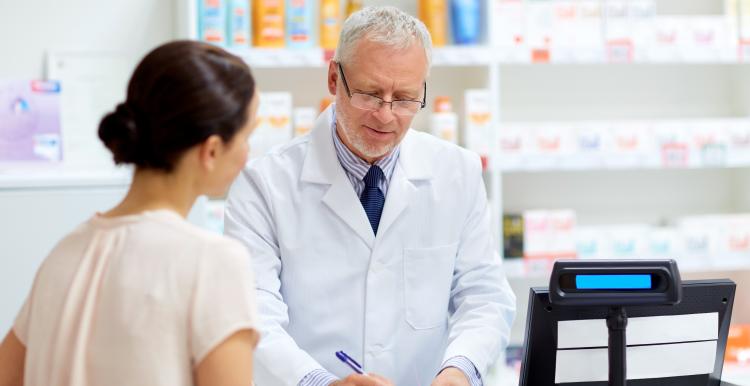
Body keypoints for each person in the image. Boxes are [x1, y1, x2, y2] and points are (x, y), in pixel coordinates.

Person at [225, 6, 516, 386]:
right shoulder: (263, 183)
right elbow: (253, 310)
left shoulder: (457, 172)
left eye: (406, 98)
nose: (386, 115)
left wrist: (459, 370)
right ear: (334, 78)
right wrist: (321, 382)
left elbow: (484, 295)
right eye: (370, 94)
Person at [0, 40, 260, 386]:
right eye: (247, 136)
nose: (248, 153)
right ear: (211, 150)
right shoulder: (213, 263)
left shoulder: (66, 252)